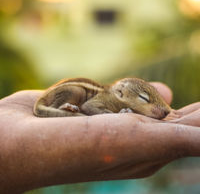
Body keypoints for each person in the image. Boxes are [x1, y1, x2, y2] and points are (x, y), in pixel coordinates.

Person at [0, 82, 200, 194]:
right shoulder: (105, 99)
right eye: (144, 101)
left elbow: (160, 107)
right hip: (60, 99)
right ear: (120, 93)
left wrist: (166, 111)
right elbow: (89, 108)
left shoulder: (123, 101)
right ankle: (62, 109)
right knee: (75, 91)